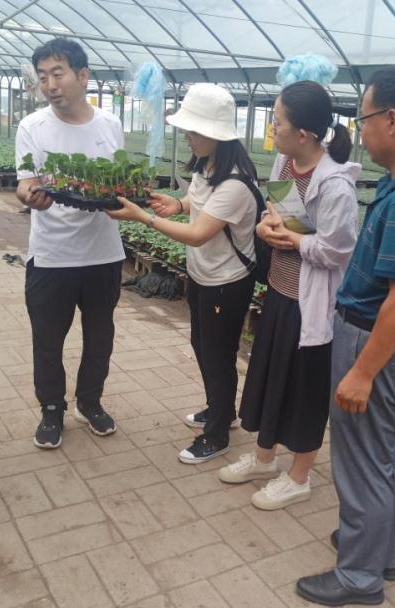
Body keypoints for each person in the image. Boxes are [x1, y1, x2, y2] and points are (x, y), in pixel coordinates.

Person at [296, 66, 395, 606]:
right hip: (386, 344)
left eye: (363, 118)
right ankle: (380, 551)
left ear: (392, 119)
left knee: (362, 460)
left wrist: (362, 373)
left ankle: (358, 577)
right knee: (383, 451)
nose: (359, 130)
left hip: (373, 344)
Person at [218, 81, 360, 510]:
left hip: (310, 305)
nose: (272, 128)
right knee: (270, 377)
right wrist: (266, 227)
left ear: (304, 134)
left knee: (303, 391)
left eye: (277, 121)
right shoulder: (285, 162)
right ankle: (265, 458)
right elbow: (276, 212)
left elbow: (337, 250)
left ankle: (299, 477)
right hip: (280, 292)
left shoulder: (335, 187)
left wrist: (293, 241)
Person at [107, 83, 258, 464]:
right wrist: (177, 204)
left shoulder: (236, 182)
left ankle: (218, 433)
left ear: (215, 134)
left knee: (218, 355)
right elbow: (198, 200)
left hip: (226, 283)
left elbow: (198, 234)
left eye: (193, 130)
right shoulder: (208, 166)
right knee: (202, 346)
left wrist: (145, 218)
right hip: (203, 275)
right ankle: (220, 408)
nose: (187, 136)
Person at [15, 38, 124, 449]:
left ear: (82, 75)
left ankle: (89, 402)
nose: (50, 85)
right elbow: (24, 183)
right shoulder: (33, 127)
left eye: (57, 74)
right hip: (51, 256)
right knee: (48, 341)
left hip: (103, 254)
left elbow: (118, 183)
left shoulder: (110, 125)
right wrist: (29, 196)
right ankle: (51, 409)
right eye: (43, 77)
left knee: (100, 337)